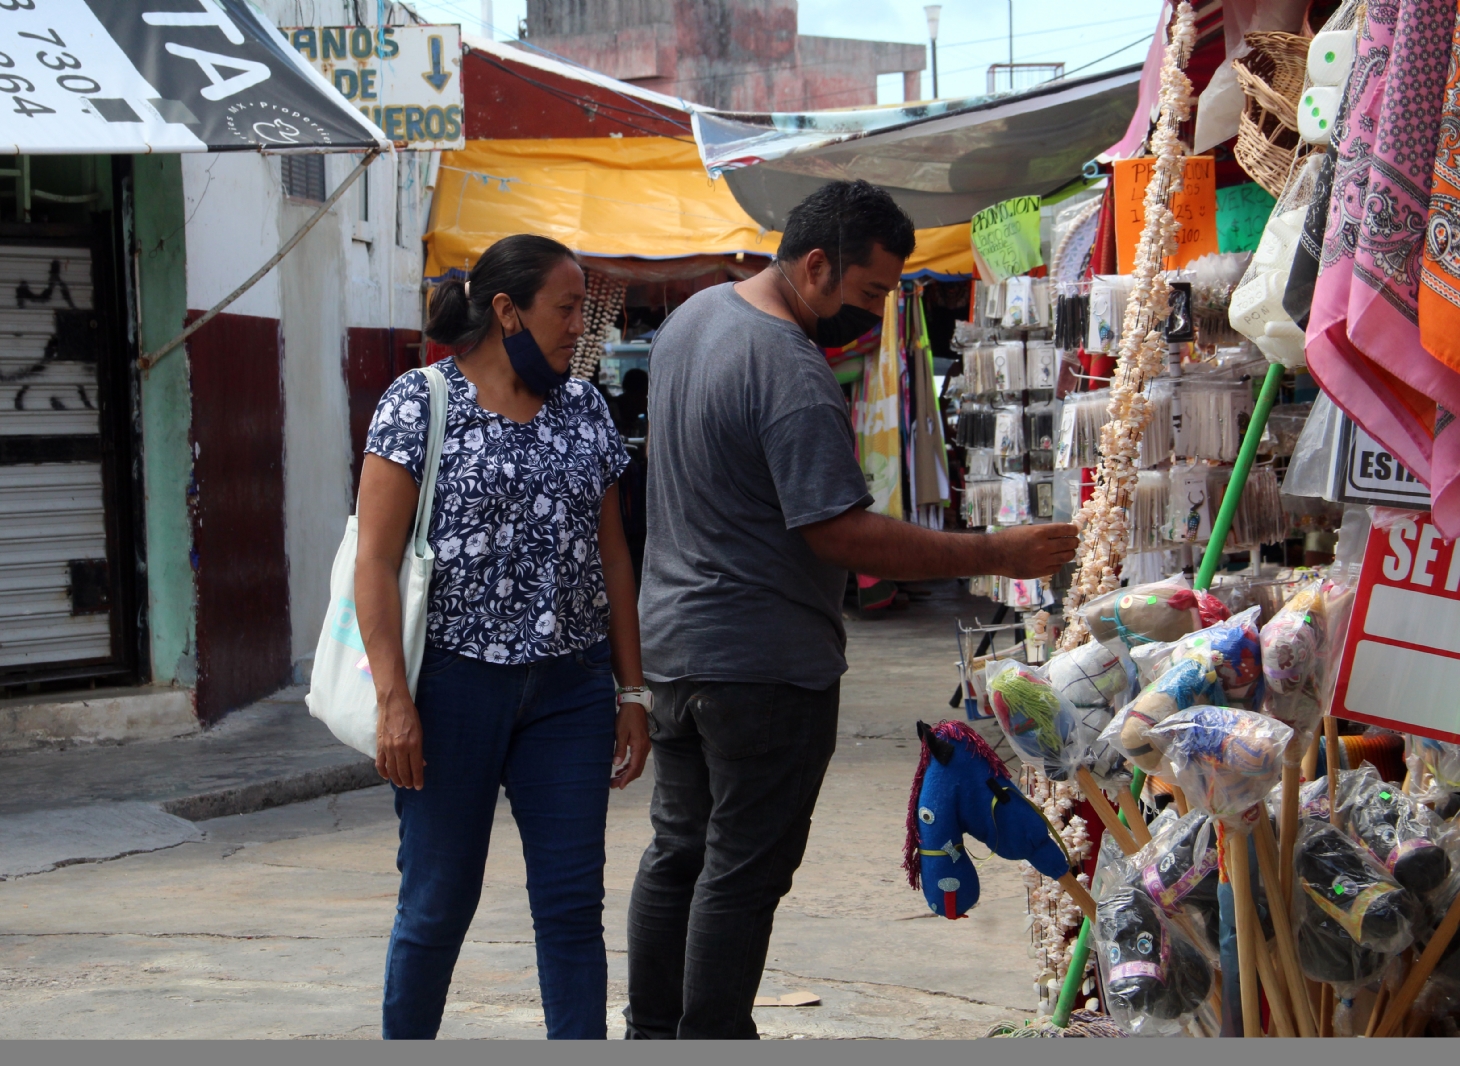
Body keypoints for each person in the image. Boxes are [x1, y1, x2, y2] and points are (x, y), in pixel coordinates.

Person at [625, 180, 1080, 1039]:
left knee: (681, 852)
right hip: (761, 664)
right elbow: (842, 533)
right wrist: (994, 552)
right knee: (740, 869)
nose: (873, 315)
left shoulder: (694, 319)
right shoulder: (790, 367)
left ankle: (653, 1033)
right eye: (869, 293)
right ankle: (708, 1037)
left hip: (678, 652)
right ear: (816, 265)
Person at [356, 233, 651, 1040]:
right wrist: (393, 702)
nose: (576, 328)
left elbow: (615, 558)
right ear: (505, 310)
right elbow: (375, 564)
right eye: (564, 309)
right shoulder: (418, 404)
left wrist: (631, 689)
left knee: (569, 908)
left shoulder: (585, 408)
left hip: (570, 692)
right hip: (452, 690)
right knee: (437, 904)